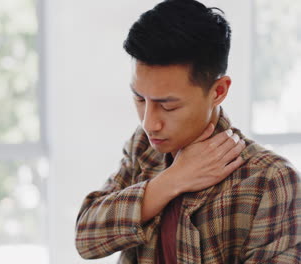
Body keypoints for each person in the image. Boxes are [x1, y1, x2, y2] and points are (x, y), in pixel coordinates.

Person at [74, 0, 301, 263]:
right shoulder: (144, 148)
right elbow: (86, 239)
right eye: (139, 99)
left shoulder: (270, 180)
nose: (149, 123)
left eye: (168, 106)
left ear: (218, 91)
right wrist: (172, 180)